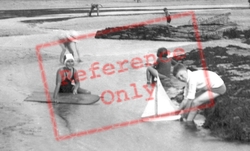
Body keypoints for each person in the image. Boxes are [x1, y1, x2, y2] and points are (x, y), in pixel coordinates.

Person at [173, 63, 226, 128]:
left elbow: (190, 100)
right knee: (193, 99)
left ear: (186, 70)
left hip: (218, 88)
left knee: (195, 102)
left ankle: (189, 122)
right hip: (208, 86)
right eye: (178, 78)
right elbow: (185, 99)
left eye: (182, 75)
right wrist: (177, 111)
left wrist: (183, 115)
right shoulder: (188, 79)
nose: (181, 78)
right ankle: (190, 115)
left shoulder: (192, 80)